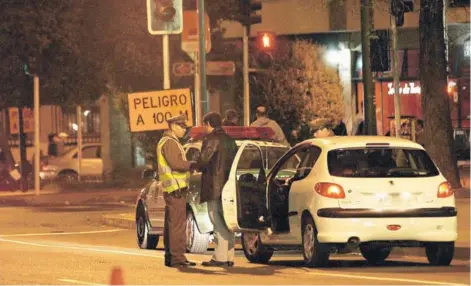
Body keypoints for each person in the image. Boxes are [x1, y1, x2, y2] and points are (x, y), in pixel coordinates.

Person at [195, 112, 238, 267]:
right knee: (227, 221)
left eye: (205, 124)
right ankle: (229, 257)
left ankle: (219, 257)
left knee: (217, 220)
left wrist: (196, 164)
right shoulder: (231, 141)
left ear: (208, 124)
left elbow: (203, 161)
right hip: (228, 187)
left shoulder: (211, 139)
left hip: (214, 186)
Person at [157, 113, 197, 268]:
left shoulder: (167, 141)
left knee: (171, 225)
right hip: (176, 189)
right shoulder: (170, 142)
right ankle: (178, 258)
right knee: (177, 226)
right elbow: (177, 164)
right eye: (181, 126)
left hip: (172, 189)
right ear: (173, 126)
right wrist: (193, 164)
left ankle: (171, 257)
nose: (184, 130)